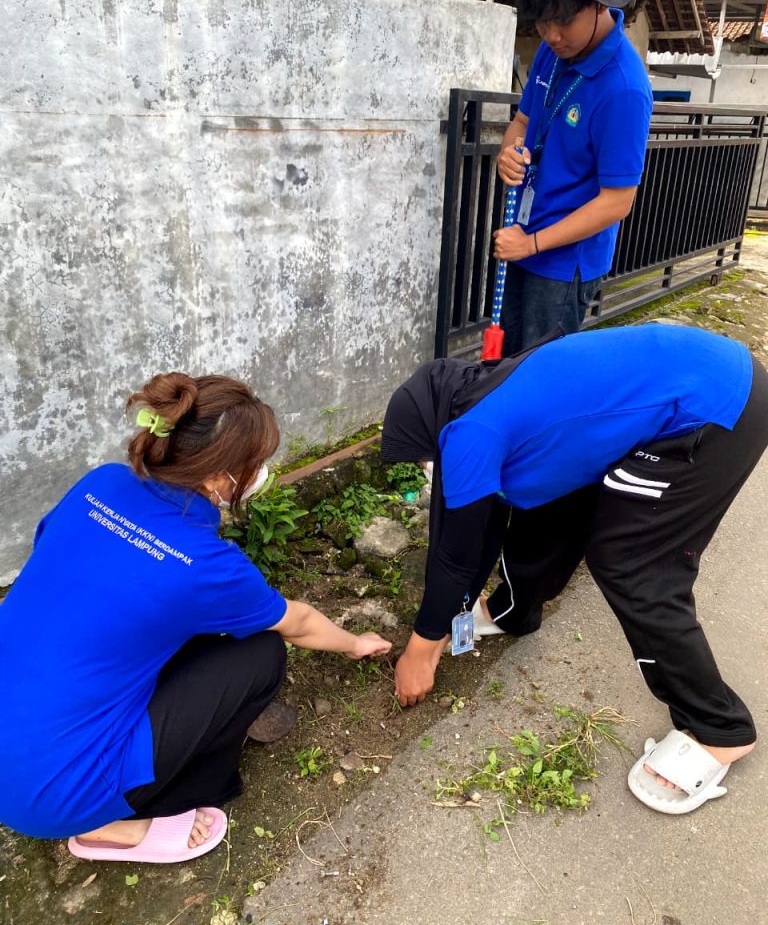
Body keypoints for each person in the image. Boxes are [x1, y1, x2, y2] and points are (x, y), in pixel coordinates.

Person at [0, 372, 391, 863]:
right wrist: (356, 643)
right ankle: (113, 826)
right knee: (260, 652)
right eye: (254, 463)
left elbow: (52, 557)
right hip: (51, 796)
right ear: (216, 478)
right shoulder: (204, 564)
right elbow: (299, 623)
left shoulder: (101, 483)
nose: (262, 471)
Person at [381, 324, 768, 814]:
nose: (428, 472)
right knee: (551, 501)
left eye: (424, 460)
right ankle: (513, 612)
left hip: (715, 408)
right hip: (703, 371)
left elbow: (455, 555)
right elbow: (486, 523)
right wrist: (451, 615)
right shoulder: (483, 393)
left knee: (631, 563)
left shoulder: (471, 434)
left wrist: (422, 648)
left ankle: (721, 727)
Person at [495, 0, 653, 355]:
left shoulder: (624, 88)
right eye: (543, 22)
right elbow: (521, 122)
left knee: (545, 372)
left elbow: (617, 201)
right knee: (505, 362)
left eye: (563, 20)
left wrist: (532, 244)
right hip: (523, 233)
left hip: (564, 263)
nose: (551, 35)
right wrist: (508, 152)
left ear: (599, 5)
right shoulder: (552, 51)